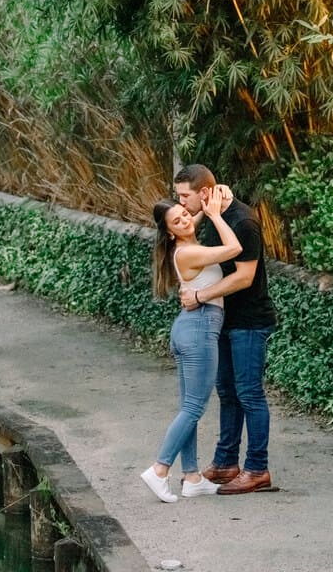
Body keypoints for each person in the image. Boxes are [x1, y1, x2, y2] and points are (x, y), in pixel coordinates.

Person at [175, 163, 277, 495]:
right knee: (227, 393)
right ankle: (225, 463)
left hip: (248, 321)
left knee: (249, 393)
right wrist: (208, 205)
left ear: (204, 192)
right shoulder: (212, 216)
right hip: (223, 320)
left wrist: (199, 296)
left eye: (184, 196)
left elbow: (245, 277)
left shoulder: (244, 222)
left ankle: (257, 469)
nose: (181, 203)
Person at [140, 186, 241, 503]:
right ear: (169, 233)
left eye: (185, 214)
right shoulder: (188, 252)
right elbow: (234, 247)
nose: (185, 220)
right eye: (177, 221)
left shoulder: (186, 242)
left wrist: (209, 204)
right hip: (199, 329)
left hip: (189, 328)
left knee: (189, 408)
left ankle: (193, 477)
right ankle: (159, 469)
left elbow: (192, 217)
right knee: (195, 408)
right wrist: (213, 214)